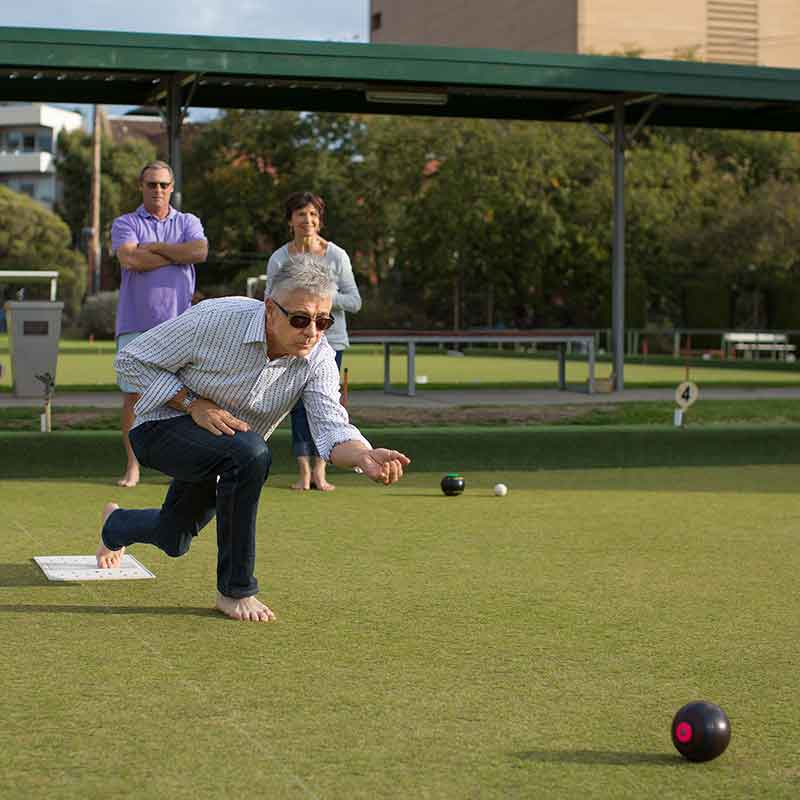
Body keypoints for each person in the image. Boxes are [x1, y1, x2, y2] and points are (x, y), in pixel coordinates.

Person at [96, 254, 410, 622]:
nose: (312, 331)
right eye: (300, 319)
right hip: (158, 427)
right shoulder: (216, 318)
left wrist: (362, 456)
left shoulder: (319, 358)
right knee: (251, 453)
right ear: (269, 310)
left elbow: (330, 427)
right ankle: (235, 589)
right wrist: (192, 404)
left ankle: (114, 525)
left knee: (173, 537)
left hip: (226, 451)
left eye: (323, 321)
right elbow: (131, 361)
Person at [111, 160, 208, 488]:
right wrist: (175, 254)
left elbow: (199, 251)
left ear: (172, 188)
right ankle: (133, 465)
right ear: (142, 187)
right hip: (136, 323)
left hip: (181, 325)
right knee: (134, 397)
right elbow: (130, 258)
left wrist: (155, 249)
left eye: (163, 185)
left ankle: (178, 467)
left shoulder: (188, 221)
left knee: (182, 398)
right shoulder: (126, 222)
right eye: (151, 184)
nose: (158, 190)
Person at [266, 191, 361, 492]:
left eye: (313, 215)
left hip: (330, 341)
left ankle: (322, 471)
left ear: (319, 221)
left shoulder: (337, 256)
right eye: (301, 214)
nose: (307, 221)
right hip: (291, 341)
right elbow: (269, 300)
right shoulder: (280, 259)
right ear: (290, 220)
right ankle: (304, 471)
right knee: (296, 406)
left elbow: (355, 300)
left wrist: (321, 302)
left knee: (326, 403)